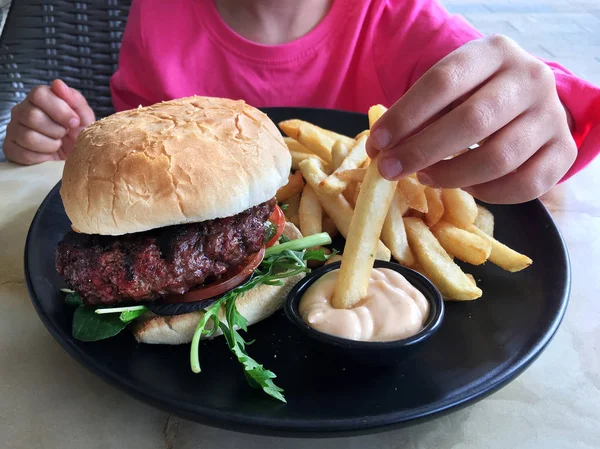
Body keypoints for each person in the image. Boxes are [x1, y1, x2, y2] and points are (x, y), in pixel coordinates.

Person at [4, 0, 600, 204]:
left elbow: (553, 108)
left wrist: (546, 116)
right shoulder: (158, 13)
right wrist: (67, 142)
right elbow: (140, 131)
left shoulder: (400, 22)